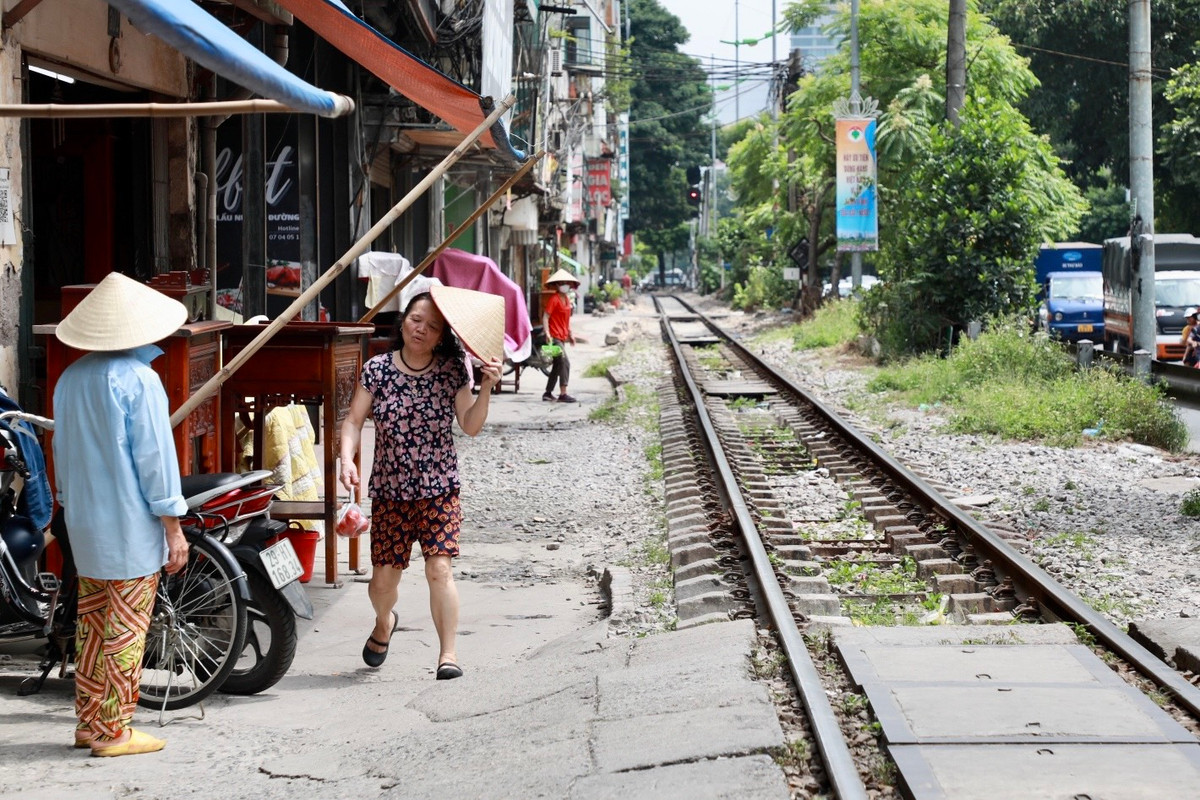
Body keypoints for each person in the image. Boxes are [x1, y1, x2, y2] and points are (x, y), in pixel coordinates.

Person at [51, 272, 190, 757]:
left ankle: (89, 724)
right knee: (126, 629)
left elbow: (61, 454)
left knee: (92, 625)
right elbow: (155, 460)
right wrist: (173, 525)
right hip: (129, 524)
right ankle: (113, 730)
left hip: (85, 522)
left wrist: (68, 505)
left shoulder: (71, 378)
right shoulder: (139, 379)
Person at [338, 283, 503, 679]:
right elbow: (353, 421)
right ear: (402, 321)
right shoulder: (377, 369)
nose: (421, 329)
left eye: (431, 326)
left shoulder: (451, 371)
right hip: (391, 493)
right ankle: (384, 623)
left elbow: (471, 425)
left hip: (440, 490)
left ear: (441, 335)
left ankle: (448, 656)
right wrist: (346, 458)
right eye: (415, 320)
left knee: (439, 570)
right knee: (381, 584)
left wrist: (487, 388)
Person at [542, 268, 580, 403]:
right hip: (554, 337)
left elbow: (566, 320)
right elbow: (546, 316)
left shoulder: (567, 300)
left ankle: (547, 393)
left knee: (557, 366)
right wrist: (547, 332)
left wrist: (571, 334)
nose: (565, 285)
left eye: (567, 283)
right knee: (564, 362)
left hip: (562, 336)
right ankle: (563, 393)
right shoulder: (554, 299)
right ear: (557, 285)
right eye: (562, 283)